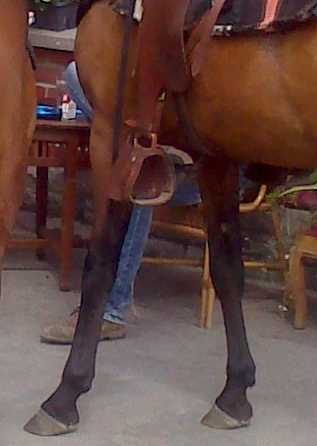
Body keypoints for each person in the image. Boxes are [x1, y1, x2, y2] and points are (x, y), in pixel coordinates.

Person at [39, 60, 200, 344]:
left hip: (201, 174)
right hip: (160, 150)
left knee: (135, 172)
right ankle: (139, 152)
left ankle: (112, 310)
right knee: (78, 73)